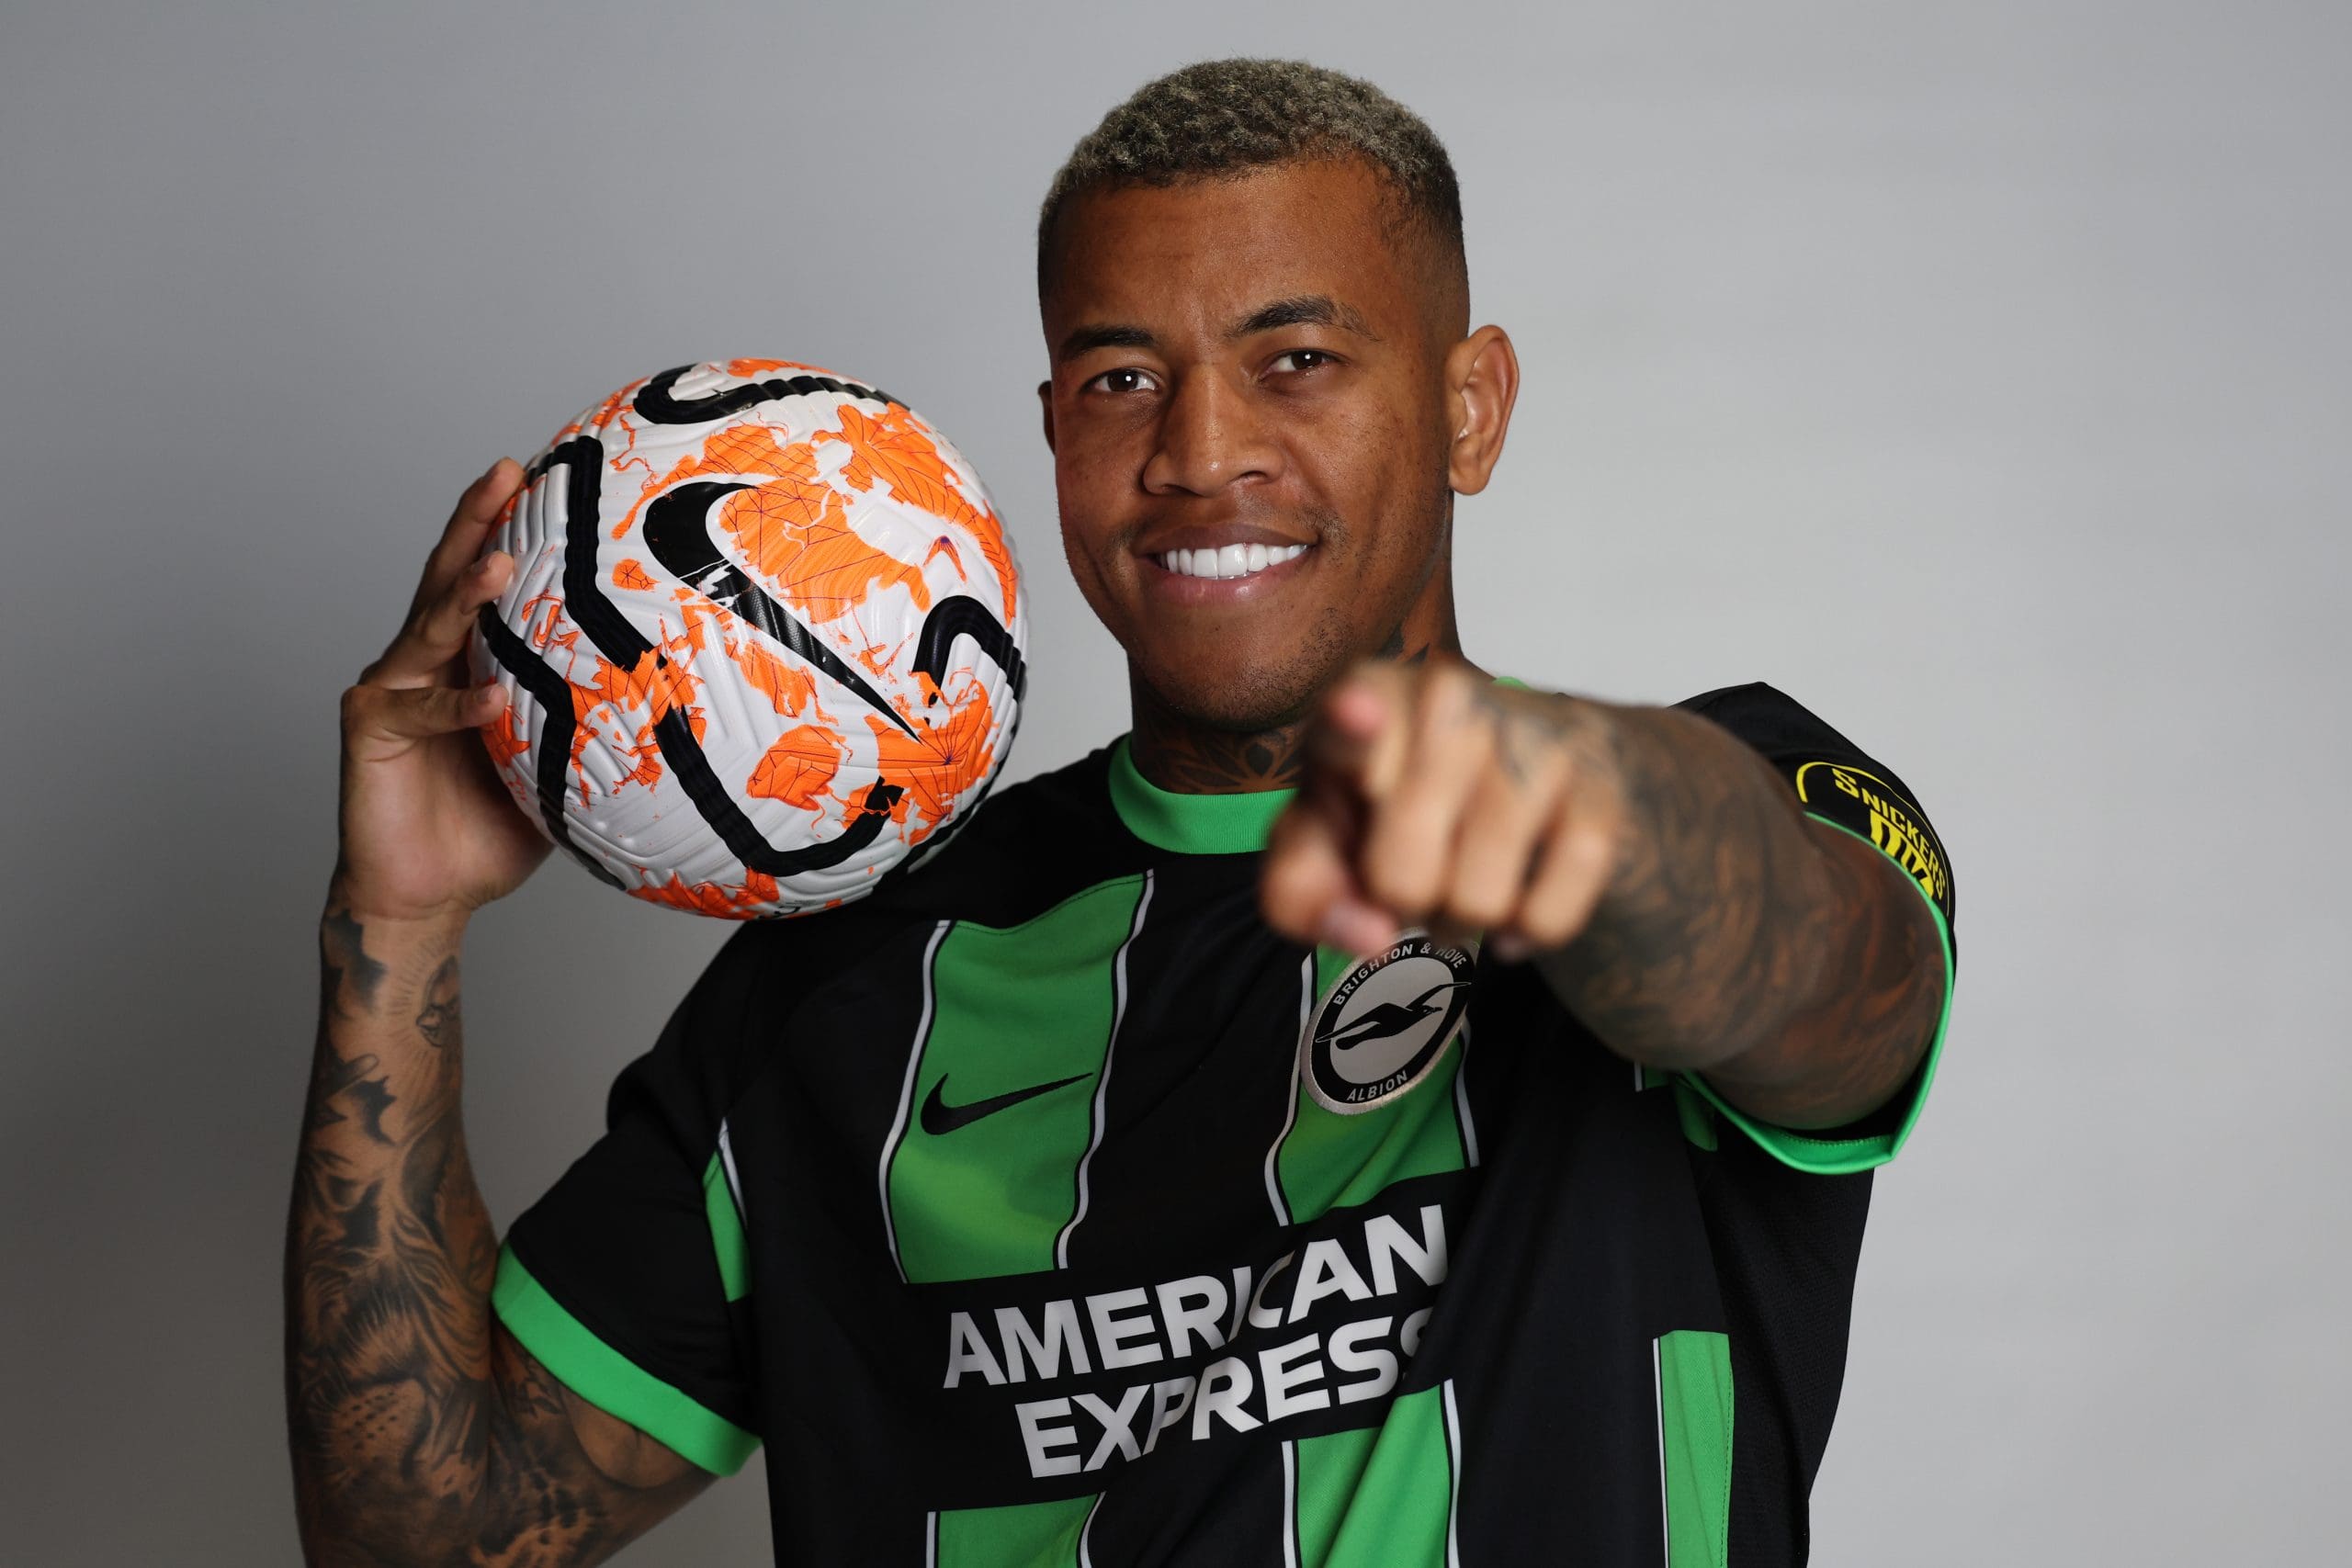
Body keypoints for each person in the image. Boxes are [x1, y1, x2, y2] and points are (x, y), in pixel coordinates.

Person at [288, 58, 1956, 1568]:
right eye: (1120, 380)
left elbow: (1814, 976)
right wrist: (396, 927)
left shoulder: (1736, 800)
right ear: (1048, 437)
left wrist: (1602, 823)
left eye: (1297, 360)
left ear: (1471, 407)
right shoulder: (839, 981)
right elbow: (430, 1532)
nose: (1201, 451)